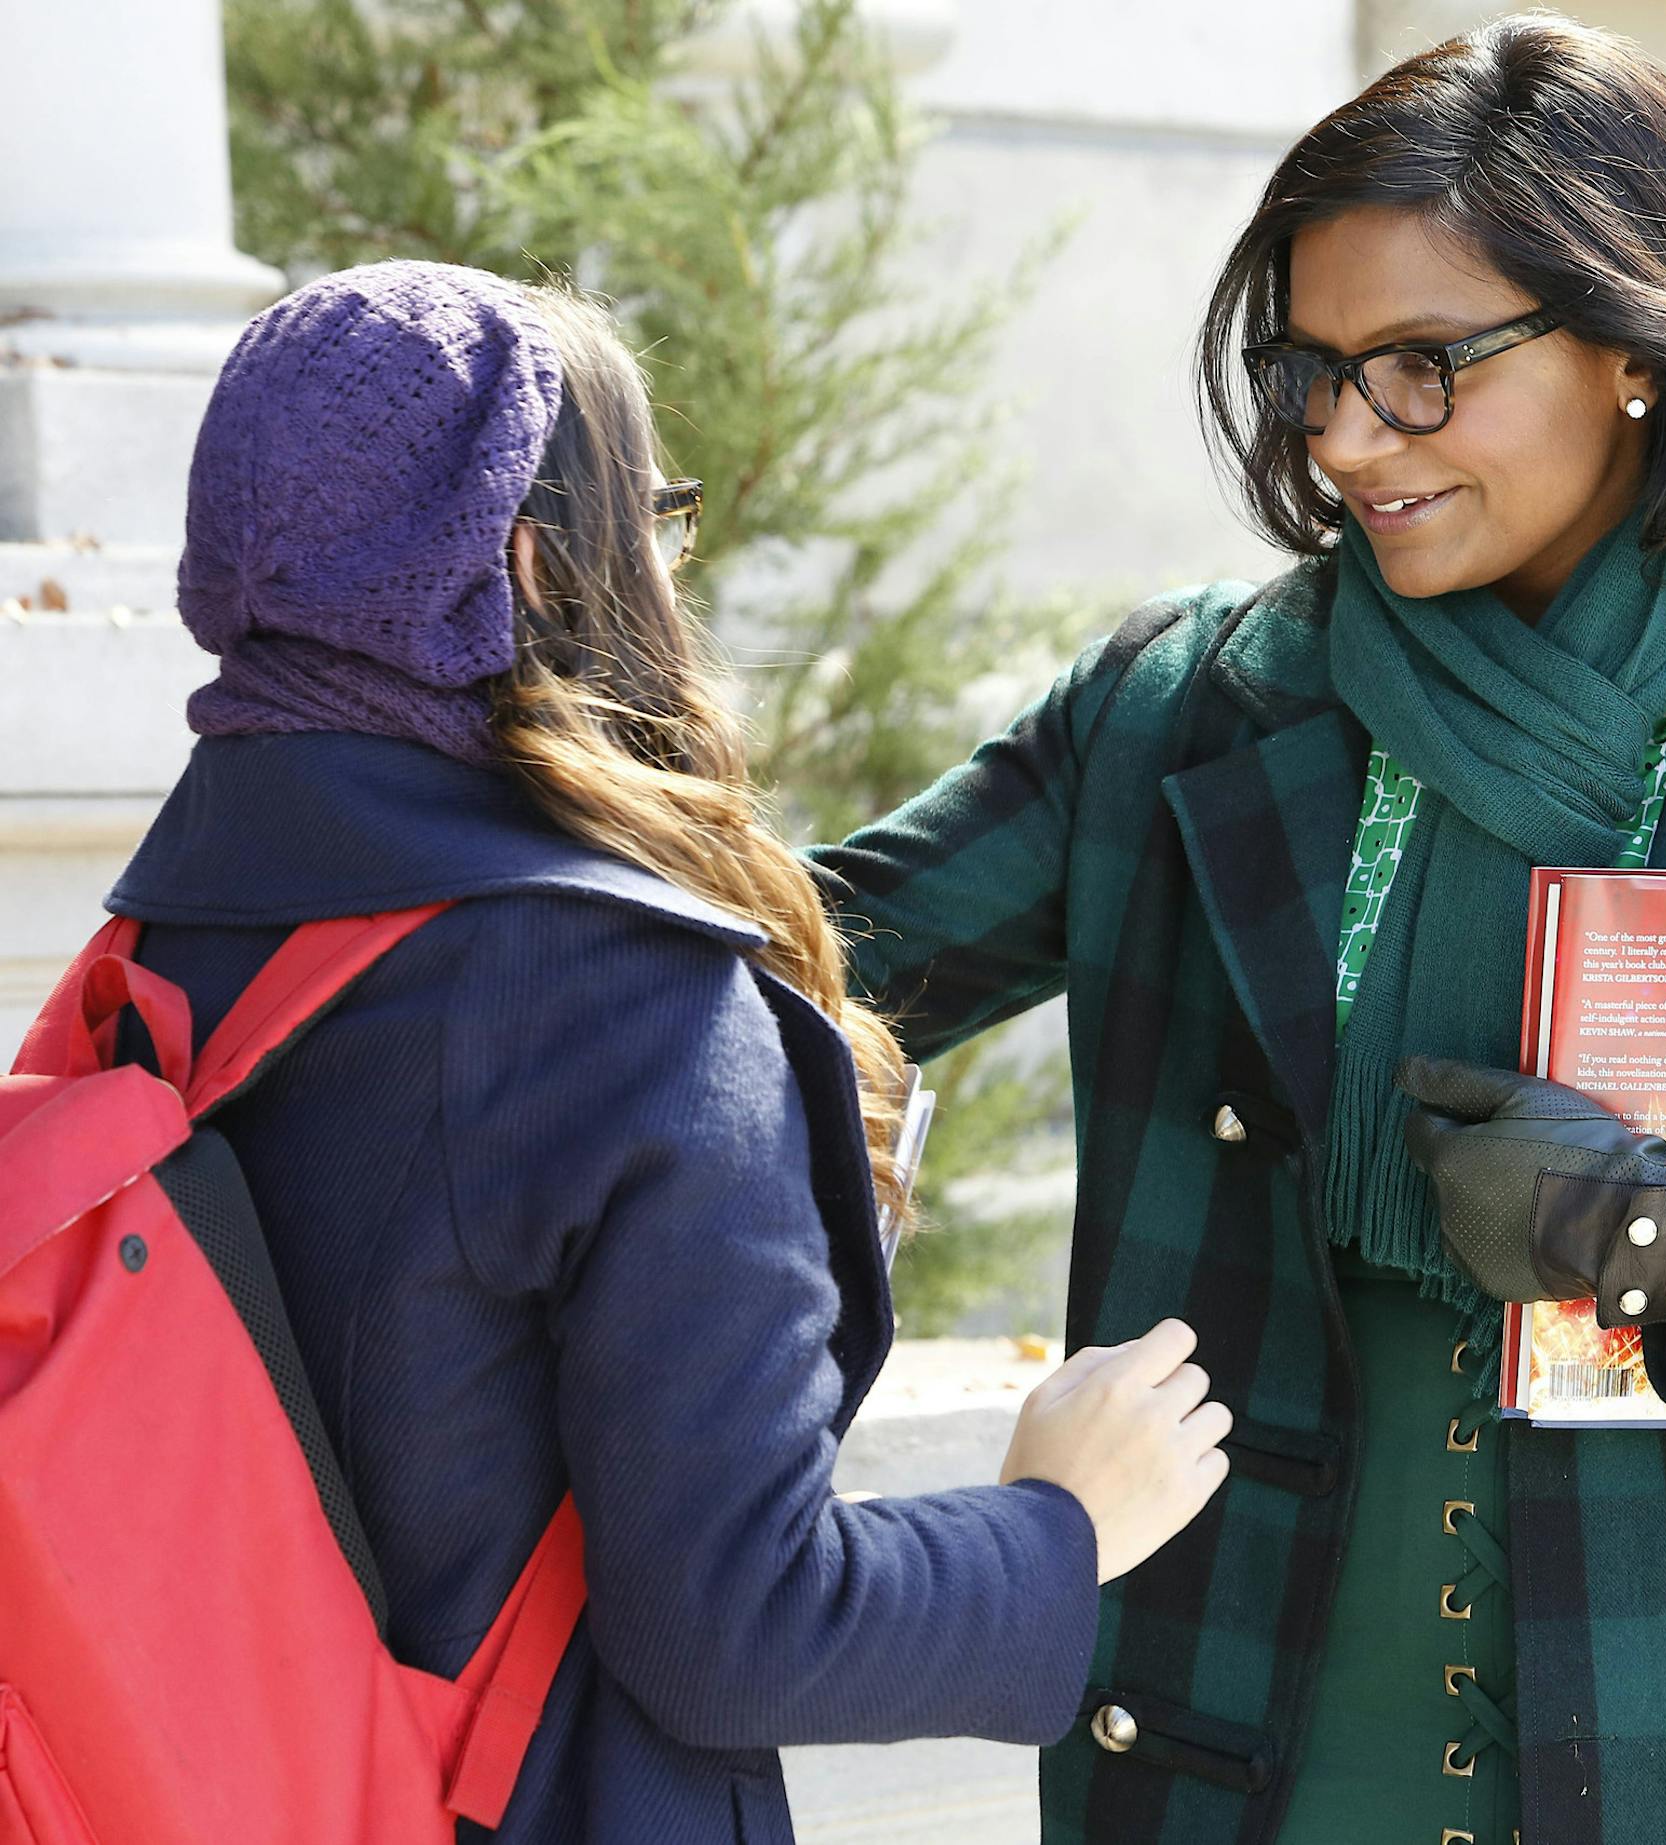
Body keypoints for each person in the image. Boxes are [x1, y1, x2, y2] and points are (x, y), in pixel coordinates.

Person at [808, 16, 1666, 1844]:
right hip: (1252, 1737)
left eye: (1422, 368)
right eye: (1314, 370)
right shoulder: (1184, 711)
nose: (1346, 437)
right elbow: (790, 958)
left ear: (1632, 347)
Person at [107, 260, 1231, 1842]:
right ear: (536, 562)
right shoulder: (625, 1001)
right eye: (654, 519)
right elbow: (745, 1625)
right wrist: (1061, 1522)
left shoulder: (162, 947)